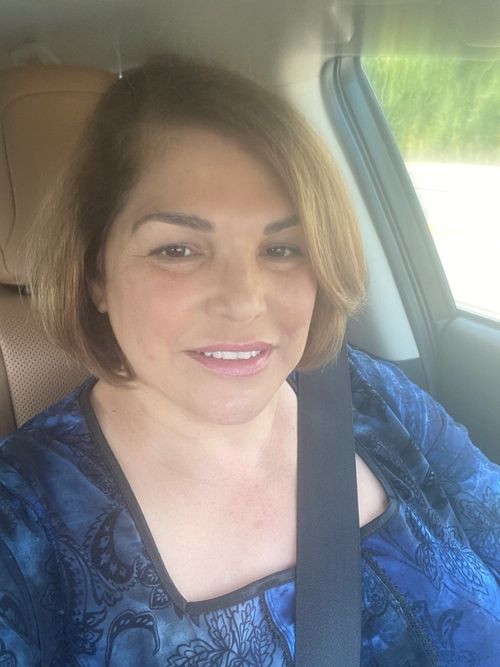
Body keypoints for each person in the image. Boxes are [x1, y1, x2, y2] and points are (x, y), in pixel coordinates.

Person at [0, 55, 498, 666]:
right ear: (94, 273)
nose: (243, 302)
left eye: (283, 248)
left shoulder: (370, 394)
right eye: (177, 249)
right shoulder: (20, 526)